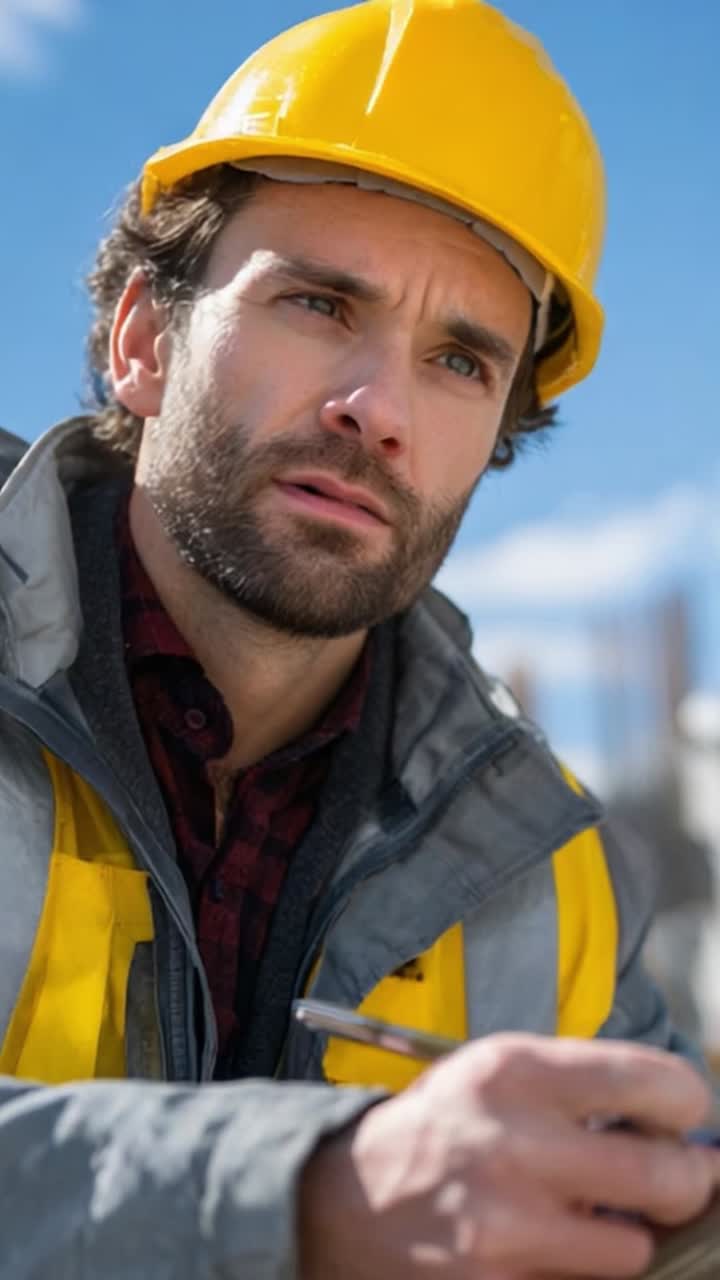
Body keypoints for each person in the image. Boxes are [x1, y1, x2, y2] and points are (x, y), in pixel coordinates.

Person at [0, 0, 717, 1276]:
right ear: (143, 338)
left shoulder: (550, 870)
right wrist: (312, 1193)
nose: (379, 409)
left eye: (457, 360)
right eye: (322, 304)